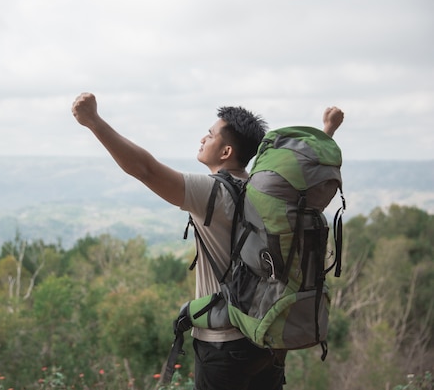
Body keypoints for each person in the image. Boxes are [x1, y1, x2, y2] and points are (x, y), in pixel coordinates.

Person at [71, 92, 344, 390]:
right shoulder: (265, 194)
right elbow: (304, 175)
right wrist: (327, 130)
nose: (203, 138)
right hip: (266, 336)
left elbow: (145, 170)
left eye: (210, 134)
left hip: (223, 346)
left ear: (226, 151)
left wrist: (94, 122)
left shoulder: (213, 194)